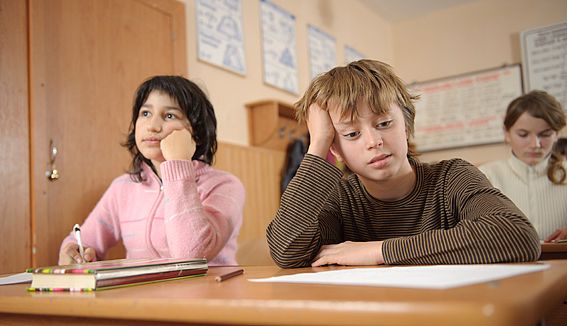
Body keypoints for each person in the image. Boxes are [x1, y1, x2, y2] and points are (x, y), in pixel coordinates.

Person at [266, 59, 540, 268]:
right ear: (335, 149)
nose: (373, 141)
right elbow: (285, 251)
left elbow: (516, 235)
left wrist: (378, 251)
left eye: (384, 123)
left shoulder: (453, 176)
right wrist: (318, 145)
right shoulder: (339, 198)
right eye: (351, 134)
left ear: (406, 126)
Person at [59, 76, 245, 266]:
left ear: (195, 133)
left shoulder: (225, 186)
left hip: (208, 293)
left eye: (169, 116)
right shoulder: (122, 188)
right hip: (143, 295)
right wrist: (72, 251)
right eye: (145, 113)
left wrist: (178, 163)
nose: (152, 126)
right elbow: (82, 241)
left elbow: (192, 255)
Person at [479, 91, 567, 242]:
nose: (535, 145)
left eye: (545, 134)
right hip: (507, 263)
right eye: (523, 134)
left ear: (556, 134)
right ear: (507, 133)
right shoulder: (486, 176)